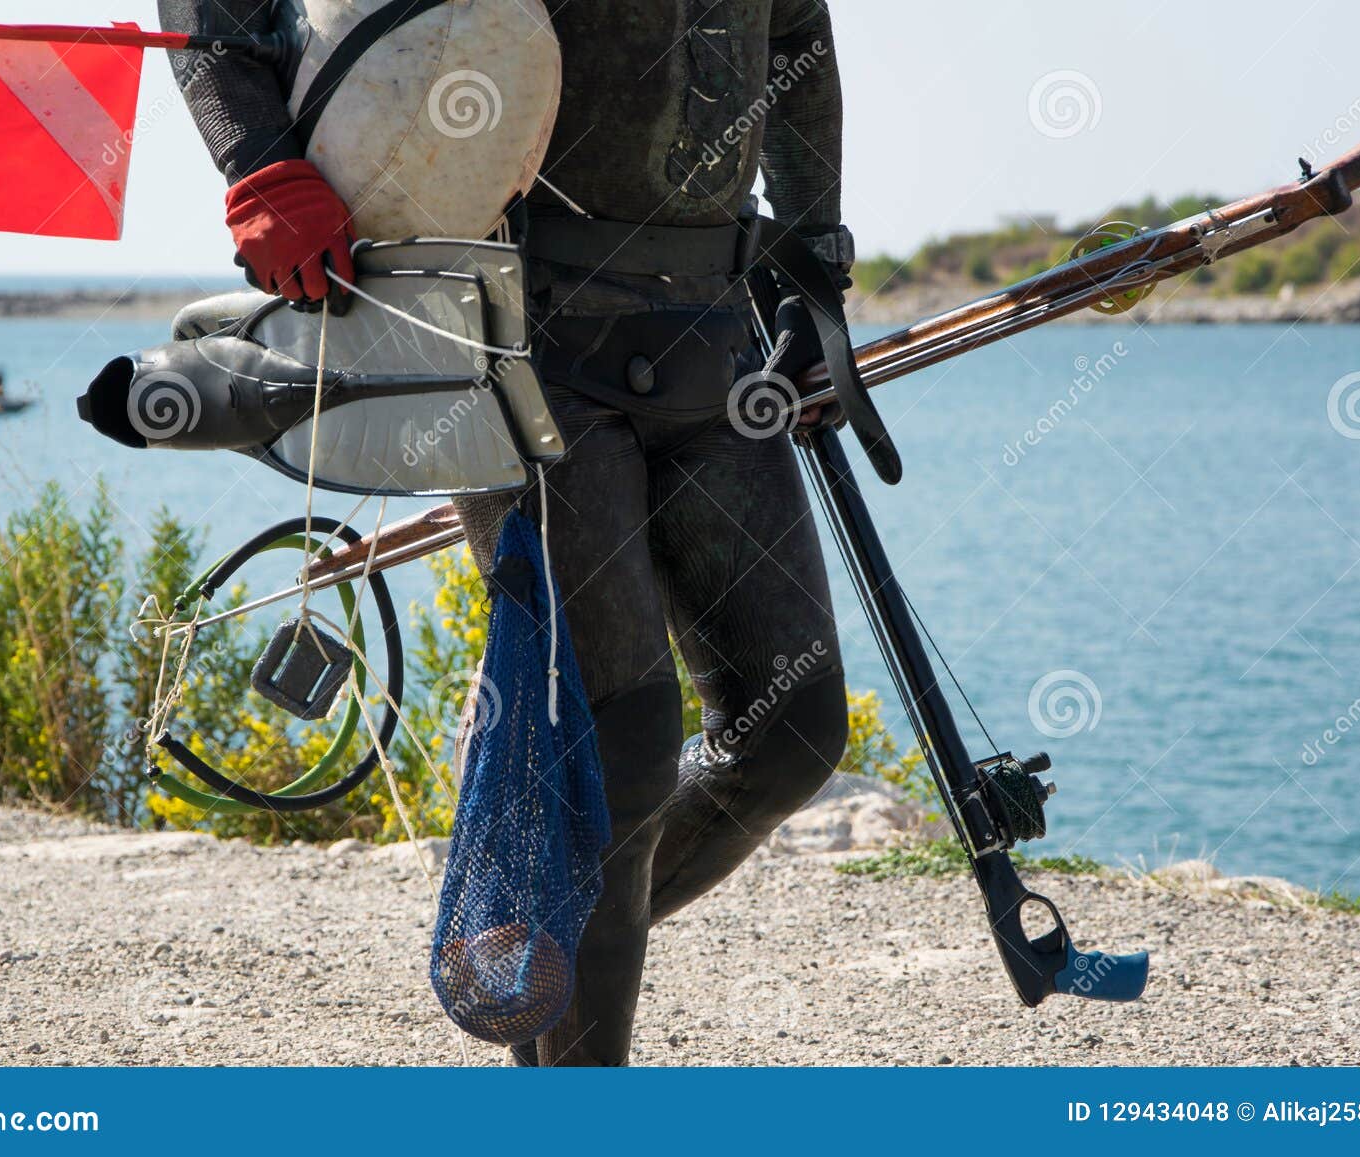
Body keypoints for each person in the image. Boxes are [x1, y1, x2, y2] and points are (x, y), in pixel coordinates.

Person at [163, 0, 855, 1066]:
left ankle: (536, 949)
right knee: (615, 747)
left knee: (792, 725)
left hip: (713, 330)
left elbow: (797, 38)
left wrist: (815, 262)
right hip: (510, 326)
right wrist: (260, 162)